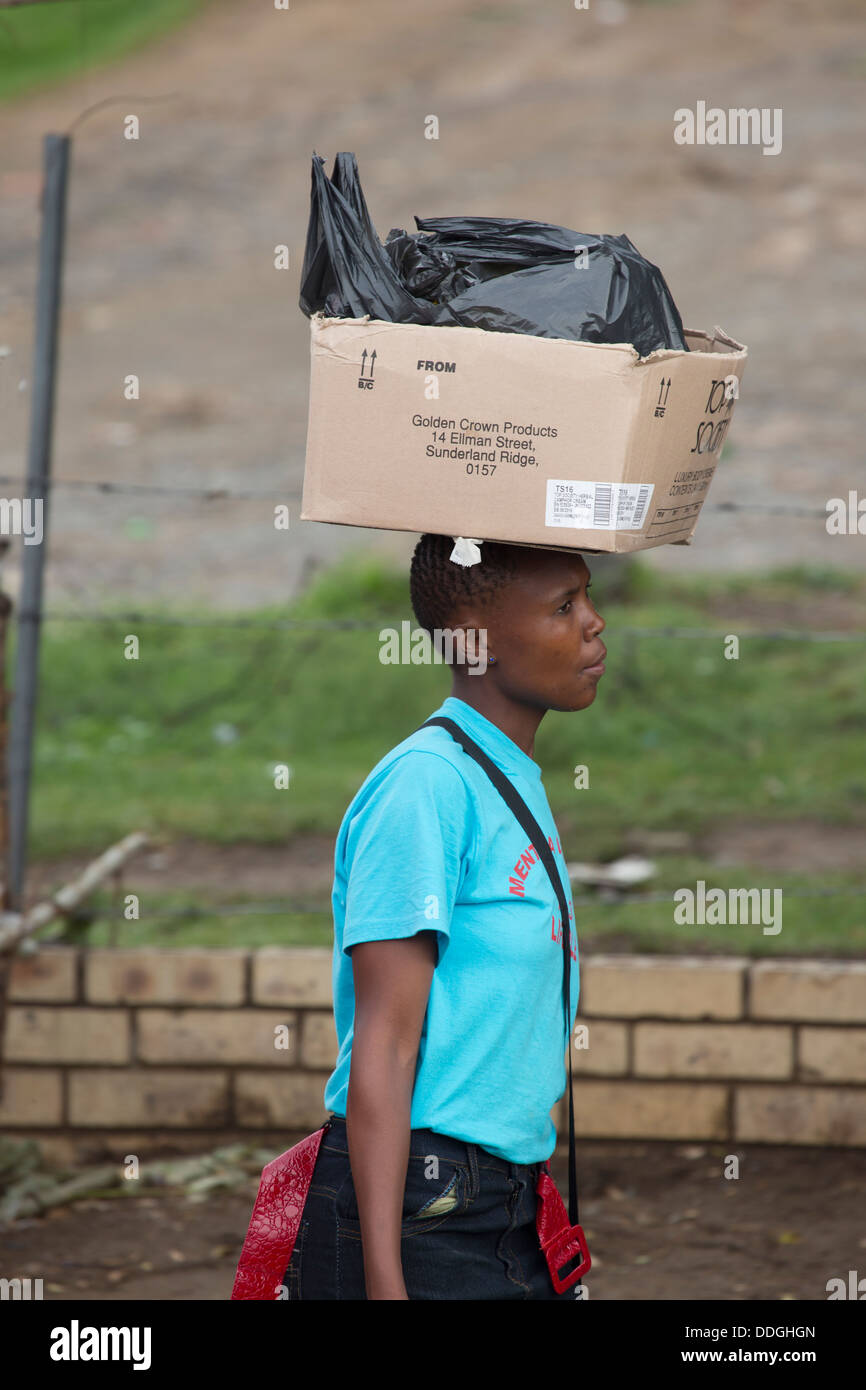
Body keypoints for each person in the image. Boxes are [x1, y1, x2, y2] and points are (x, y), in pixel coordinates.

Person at [282, 533, 606, 1300]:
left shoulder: (505, 773)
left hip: (502, 1201)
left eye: (588, 596)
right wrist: (384, 1281)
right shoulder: (424, 789)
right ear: (472, 640)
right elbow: (385, 1048)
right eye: (564, 607)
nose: (594, 624)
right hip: (424, 1213)